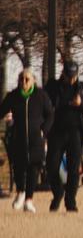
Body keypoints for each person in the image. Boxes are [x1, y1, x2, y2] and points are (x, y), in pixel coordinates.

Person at [44, 60, 83, 210]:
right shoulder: (52, 87)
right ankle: (58, 192)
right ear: (63, 74)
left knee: (73, 169)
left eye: (74, 76)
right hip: (56, 132)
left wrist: (82, 104)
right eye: (68, 76)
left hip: (76, 133)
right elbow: (44, 105)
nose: (71, 79)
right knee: (51, 166)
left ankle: (70, 200)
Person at [2, 67, 54, 211]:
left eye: (27, 79)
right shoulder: (13, 96)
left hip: (36, 138)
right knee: (19, 166)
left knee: (34, 168)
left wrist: (43, 131)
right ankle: (20, 193)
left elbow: (50, 115)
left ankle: (29, 200)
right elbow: (2, 110)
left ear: (33, 81)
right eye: (21, 79)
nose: (23, 82)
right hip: (18, 137)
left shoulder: (41, 95)